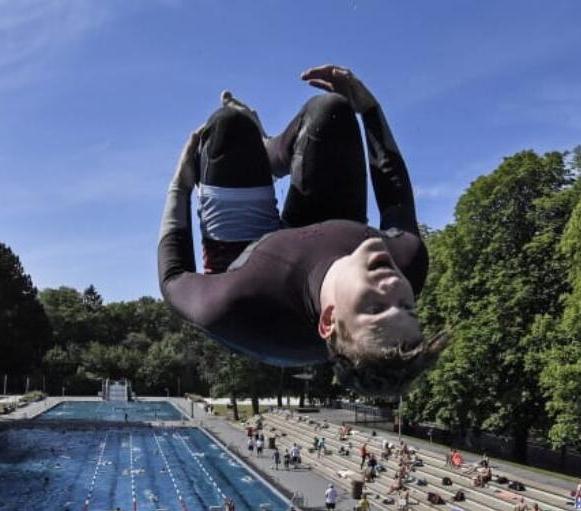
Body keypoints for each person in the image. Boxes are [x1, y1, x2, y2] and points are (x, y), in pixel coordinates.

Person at [158, 65, 444, 396]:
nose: (394, 285)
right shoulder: (404, 264)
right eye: (407, 307)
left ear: (329, 319)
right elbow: (395, 196)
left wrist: (180, 187)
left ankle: (247, 145)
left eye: (376, 307)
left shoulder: (237, 304)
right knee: (333, 111)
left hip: (247, 254)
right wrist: (369, 108)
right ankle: (267, 150)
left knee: (226, 127)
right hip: (320, 227)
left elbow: (172, 279)